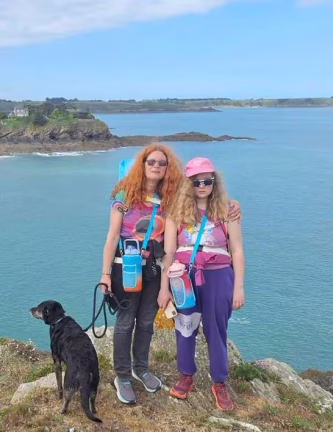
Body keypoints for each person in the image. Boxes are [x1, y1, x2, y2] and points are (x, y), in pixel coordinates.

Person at [100, 146, 240, 405]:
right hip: (127, 267)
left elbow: (202, 198)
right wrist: (105, 274)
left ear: (168, 169)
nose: (156, 166)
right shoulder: (123, 198)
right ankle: (123, 375)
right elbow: (112, 237)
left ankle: (140, 368)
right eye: (151, 161)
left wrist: (232, 204)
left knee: (146, 321)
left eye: (162, 163)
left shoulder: (169, 199)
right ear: (141, 165)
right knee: (125, 321)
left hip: (155, 269)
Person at [157, 157, 245, 411]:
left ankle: (219, 382)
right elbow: (169, 253)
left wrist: (238, 288)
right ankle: (186, 375)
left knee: (216, 329)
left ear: (214, 182)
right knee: (185, 327)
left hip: (218, 276)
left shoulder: (227, 211)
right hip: (183, 277)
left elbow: (237, 251)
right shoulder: (175, 213)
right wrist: (164, 288)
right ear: (189, 184)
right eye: (196, 182)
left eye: (207, 180)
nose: (202, 186)